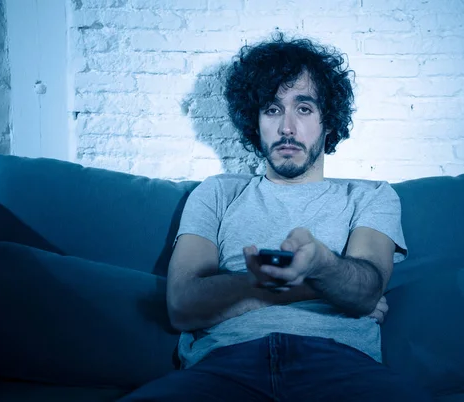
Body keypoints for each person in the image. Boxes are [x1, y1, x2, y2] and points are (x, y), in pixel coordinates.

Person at [119, 33, 432, 402]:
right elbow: (183, 306)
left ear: (327, 121)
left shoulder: (371, 195)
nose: (286, 127)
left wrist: (315, 267)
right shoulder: (217, 193)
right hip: (224, 366)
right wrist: (313, 281)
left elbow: (365, 290)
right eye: (271, 109)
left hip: (340, 365)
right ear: (255, 122)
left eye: (303, 108)